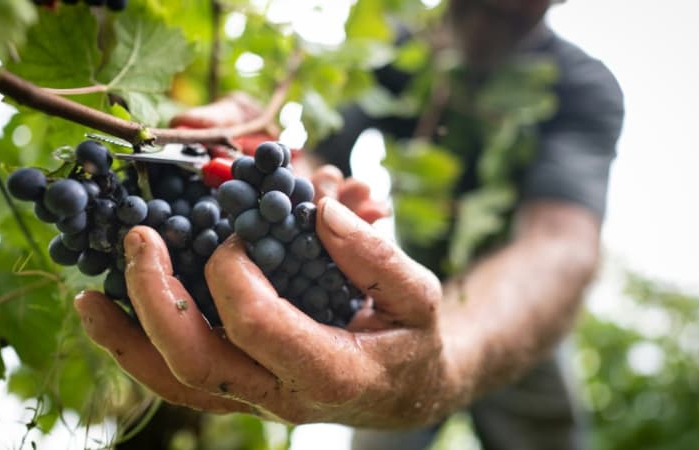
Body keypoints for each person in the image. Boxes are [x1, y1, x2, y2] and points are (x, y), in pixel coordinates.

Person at [73, 1, 624, 449]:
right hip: (388, 311)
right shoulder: (400, 47)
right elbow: (318, 158)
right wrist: (268, 160)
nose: (493, 10)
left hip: (516, 315)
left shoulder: (579, 86)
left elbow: (559, 244)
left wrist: (447, 352)